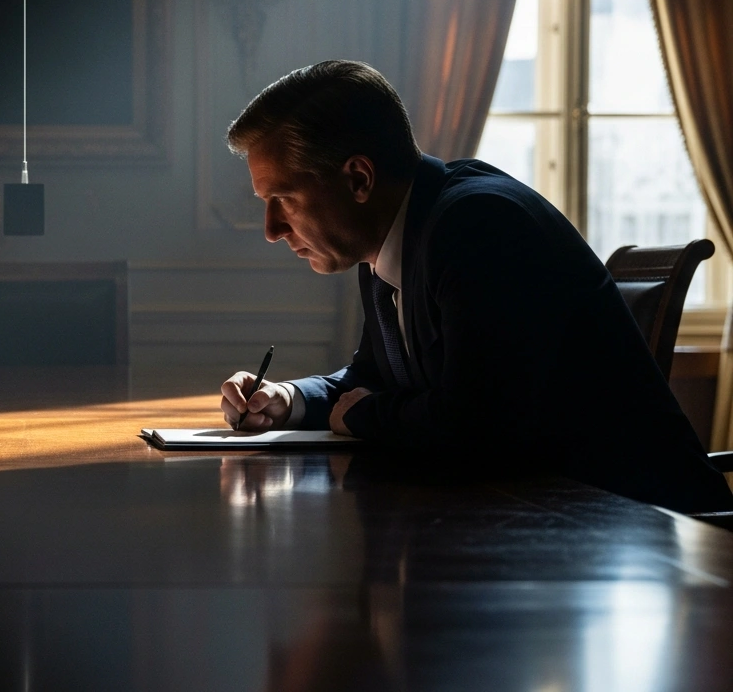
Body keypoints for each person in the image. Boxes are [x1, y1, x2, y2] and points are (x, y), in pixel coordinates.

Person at [218, 60, 733, 513]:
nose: (271, 229)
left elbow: (472, 428)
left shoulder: (478, 224)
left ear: (358, 179)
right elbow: (371, 377)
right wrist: (286, 399)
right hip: (547, 524)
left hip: (649, 539)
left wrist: (364, 414)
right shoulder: (393, 238)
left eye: (283, 198)